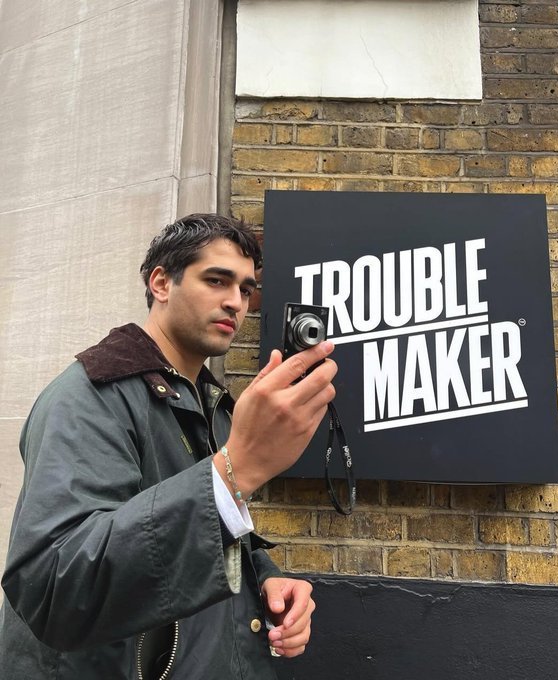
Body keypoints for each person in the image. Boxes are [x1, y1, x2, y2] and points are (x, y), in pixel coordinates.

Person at [0, 214, 337, 680]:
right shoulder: (89, 395)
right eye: (216, 280)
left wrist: (264, 579)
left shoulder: (213, 406)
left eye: (245, 289)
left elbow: (189, 536)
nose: (235, 302)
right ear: (161, 283)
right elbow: (57, 585)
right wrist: (236, 469)